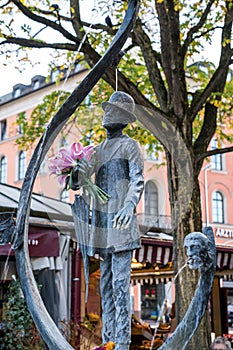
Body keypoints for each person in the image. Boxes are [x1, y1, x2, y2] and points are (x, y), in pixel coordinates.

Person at [71, 91, 144, 350]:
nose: (106, 114)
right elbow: (78, 183)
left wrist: (129, 204)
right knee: (106, 285)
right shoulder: (97, 150)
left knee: (121, 284)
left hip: (121, 224)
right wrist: (75, 171)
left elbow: (137, 180)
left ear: (122, 117)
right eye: (106, 109)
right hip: (103, 226)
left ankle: (122, 342)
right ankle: (108, 340)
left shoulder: (129, 146)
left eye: (111, 110)